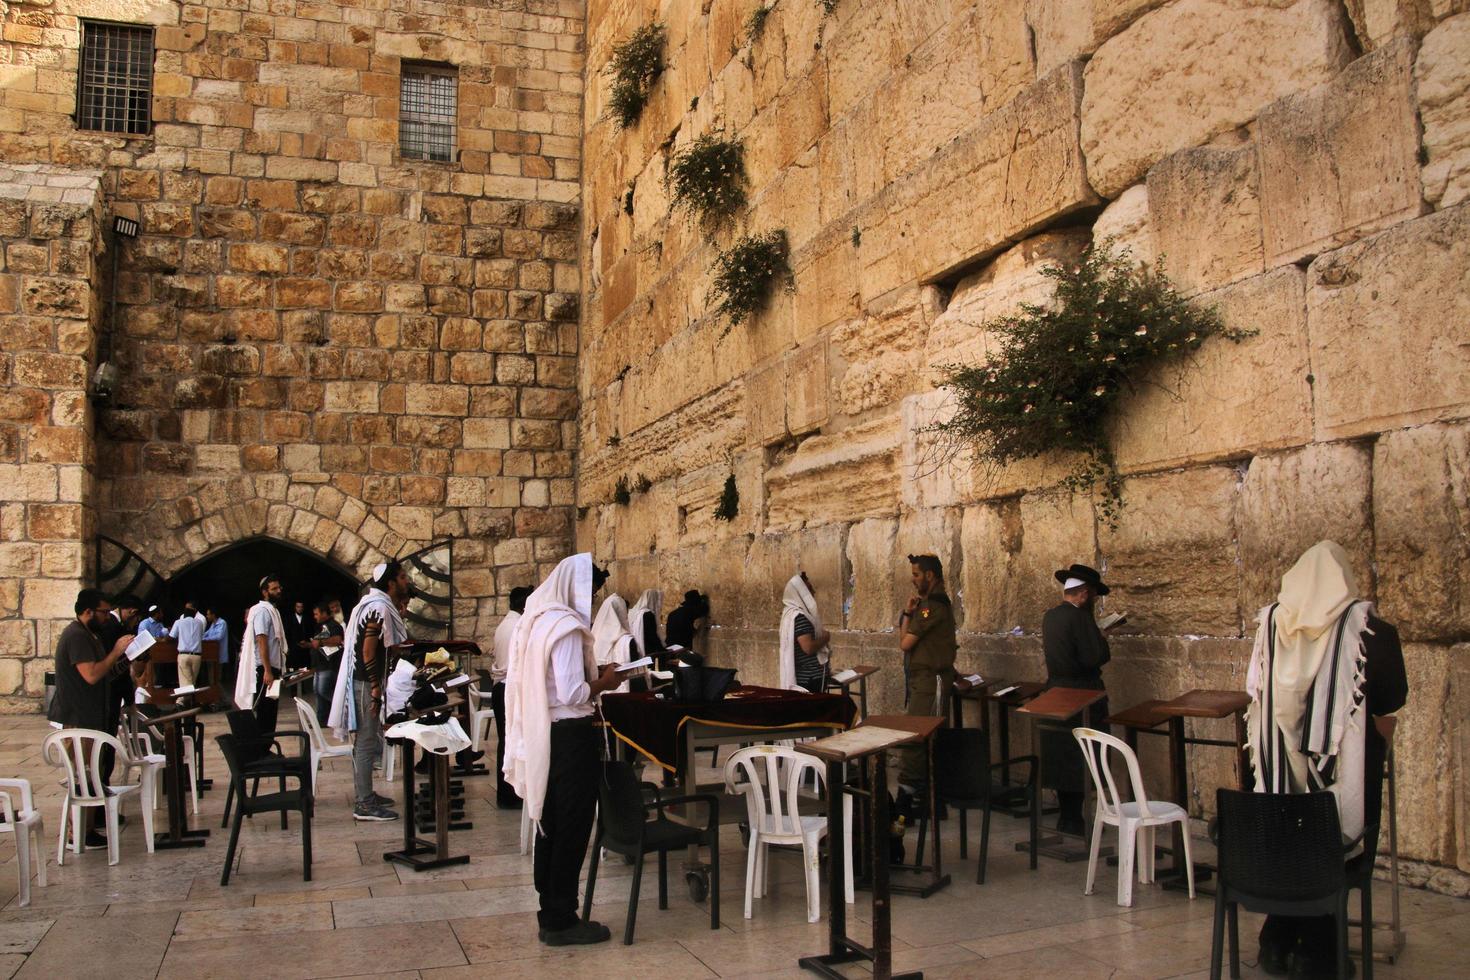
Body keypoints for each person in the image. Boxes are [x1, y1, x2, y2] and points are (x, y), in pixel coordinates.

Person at [1246, 541, 1407, 978]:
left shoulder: (1272, 623)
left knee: (1292, 844)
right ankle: (1319, 953)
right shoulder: (1372, 630)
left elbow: (1256, 689)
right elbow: (1393, 698)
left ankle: (1277, 942)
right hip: (1346, 769)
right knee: (1336, 847)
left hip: (1279, 766)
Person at [503, 553, 622, 946]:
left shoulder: (538, 621)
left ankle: (550, 909)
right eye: (590, 593)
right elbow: (572, 692)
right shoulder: (567, 627)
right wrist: (604, 680)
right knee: (571, 823)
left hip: (548, 733)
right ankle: (562, 918)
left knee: (551, 822)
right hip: (571, 736)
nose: (590, 602)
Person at [48, 589, 134, 848]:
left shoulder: (89, 635)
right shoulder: (76, 636)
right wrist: (116, 650)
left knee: (91, 775)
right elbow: (91, 675)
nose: (108, 617)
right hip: (79, 718)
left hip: (91, 717)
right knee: (82, 777)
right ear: (88, 611)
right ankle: (78, 834)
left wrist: (124, 661)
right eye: (104, 612)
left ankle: (87, 831)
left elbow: (103, 674)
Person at [329, 562, 408, 822]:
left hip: (365, 682)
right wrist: (375, 687)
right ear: (391, 583)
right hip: (365, 684)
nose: (407, 581)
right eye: (402, 577)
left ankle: (367, 794)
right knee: (366, 743)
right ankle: (363, 803)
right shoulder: (378, 608)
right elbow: (367, 651)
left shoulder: (374, 604)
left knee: (366, 741)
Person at [1040, 562, 1114, 836]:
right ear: (1083, 594)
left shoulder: (1051, 616)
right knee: (1083, 757)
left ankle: (1068, 817)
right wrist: (1102, 637)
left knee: (1064, 757)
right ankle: (1075, 819)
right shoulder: (1080, 618)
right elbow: (1093, 657)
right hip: (1083, 694)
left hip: (1056, 691)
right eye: (1092, 596)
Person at [897, 554, 959, 789]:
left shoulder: (933, 607)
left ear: (929, 575)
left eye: (916, 575)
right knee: (920, 732)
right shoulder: (925, 606)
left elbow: (904, 643)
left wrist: (911, 615)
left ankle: (914, 788)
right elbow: (905, 640)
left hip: (929, 681)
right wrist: (907, 613)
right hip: (922, 679)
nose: (913, 580)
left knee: (917, 733)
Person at [490, 586, 532, 808]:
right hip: (508, 687)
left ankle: (507, 794)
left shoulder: (506, 624)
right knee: (510, 741)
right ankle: (509, 795)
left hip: (502, 686)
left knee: (506, 741)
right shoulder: (517, 626)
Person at [236, 574, 287, 733]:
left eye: (279, 588)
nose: (278, 591)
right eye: (274, 589)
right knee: (264, 712)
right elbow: (261, 640)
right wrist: (267, 670)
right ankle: (261, 749)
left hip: (273, 668)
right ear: (265, 592)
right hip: (265, 669)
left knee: (271, 712)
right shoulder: (262, 611)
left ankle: (266, 746)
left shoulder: (273, 611)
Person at [778, 572, 831, 692]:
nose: (813, 593)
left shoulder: (790, 614)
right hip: (809, 678)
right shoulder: (800, 617)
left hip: (808, 677)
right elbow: (808, 647)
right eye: (809, 590)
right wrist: (825, 638)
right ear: (800, 594)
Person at [305, 601, 344, 727]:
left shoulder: (334, 625)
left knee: (324, 690)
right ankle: (321, 720)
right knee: (318, 691)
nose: (315, 616)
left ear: (324, 613)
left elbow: (338, 640)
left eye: (317, 614)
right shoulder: (320, 626)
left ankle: (342, 709)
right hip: (319, 665)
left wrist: (320, 642)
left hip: (329, 665)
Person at [170, 599, 205, 687]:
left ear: (184, 615)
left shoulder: (179, 622)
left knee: (185, 682)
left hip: (183, 655)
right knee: (192, 682)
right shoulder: (200, 623)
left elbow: (171, 637)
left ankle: (181, 700)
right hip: (197, 656)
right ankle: (190, 700)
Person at [627, 589, 665, 658]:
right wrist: (663, 650)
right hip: (648, 651)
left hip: (635, 649)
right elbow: (652, 636)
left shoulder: (633, 612)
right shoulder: (648, 614)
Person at [203, 605, 229, 705]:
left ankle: (224, 701)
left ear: (213, 615)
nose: (207, 616)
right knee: (212, 680)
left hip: (218, 655)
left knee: (216, 680)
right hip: (211, 655)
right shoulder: (213, 625)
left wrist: (204, 639)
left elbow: (218, 636)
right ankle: (218, 700)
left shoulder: (221, 623)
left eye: (208, 614)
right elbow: (206, 634)